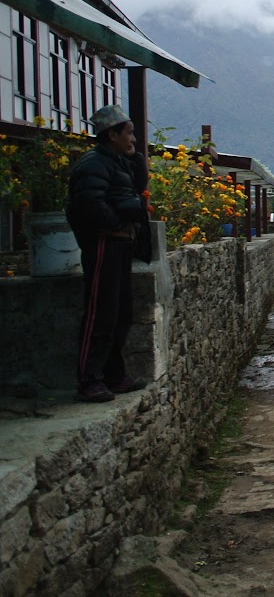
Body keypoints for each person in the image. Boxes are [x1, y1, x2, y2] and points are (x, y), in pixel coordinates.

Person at [66, 105, 151, 403]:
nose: (134, 140)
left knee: (120, 313)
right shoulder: (93, 164)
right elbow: (89, 203)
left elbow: (139, 186)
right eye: (129, 134)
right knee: (100, 312)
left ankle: (115, 375)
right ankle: (90, 379)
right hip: (104, 243)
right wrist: (115, 226)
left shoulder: (116, 162)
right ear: (112, 134)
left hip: (120, 245)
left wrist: (137, 158)